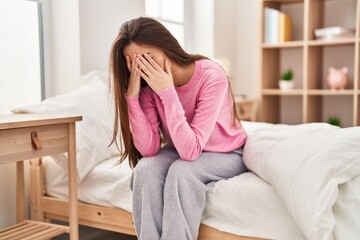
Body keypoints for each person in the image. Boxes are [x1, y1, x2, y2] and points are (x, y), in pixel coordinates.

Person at [109, 17, 247, 240]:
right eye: (135, 63)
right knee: (145, 168)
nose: (144, 67)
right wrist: (132, 97)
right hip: (183, 147)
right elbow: (149, 149)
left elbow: (189, 152)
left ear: (166, 46)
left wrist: (167, 92)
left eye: (147, 58)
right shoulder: (147, 89)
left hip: (226, 152)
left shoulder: (211, 76)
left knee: (182, 173)